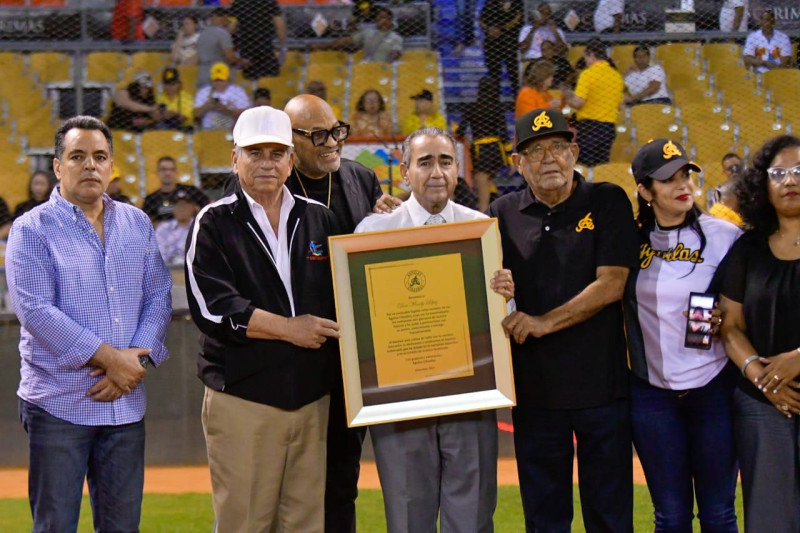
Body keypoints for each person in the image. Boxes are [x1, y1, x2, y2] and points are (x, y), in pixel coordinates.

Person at [5, 115, 172, 532]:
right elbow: (36, 310)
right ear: (59, 167)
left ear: (112, 165)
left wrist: (132, 366)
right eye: (77, 156)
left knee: (122, 528)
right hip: (57, 404)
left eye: (100, 156)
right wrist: (112, 360)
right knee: (56, 526)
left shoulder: (136, 223)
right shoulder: (31, 228)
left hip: (125, 404)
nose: (90, 166)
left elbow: (159, 295)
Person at [186, 106, 341, 532]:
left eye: (277, 152)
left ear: (292, 160)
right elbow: (212, 307)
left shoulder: (319, 218)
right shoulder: (214, 222)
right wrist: (291, 328)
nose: (267, 163)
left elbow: (347, 294)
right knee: (246, 522)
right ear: (235, 159)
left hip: (311, 400)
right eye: (255, 152)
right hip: (245, 398)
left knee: (305, 523)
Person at [355, 126, 515, 533]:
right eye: (424, 162)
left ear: (458, 170)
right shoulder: (372, 234)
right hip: (399, 402)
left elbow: (502, 318)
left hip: (469, 396)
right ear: (405, 174)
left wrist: (506, 295)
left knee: (473, 517)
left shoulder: (483, 228)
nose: (437, 171)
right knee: (409, 519)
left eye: (445, 161)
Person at [487, 108, 638, 532]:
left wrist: (541, 323)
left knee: (610, 518)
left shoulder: (606, 199)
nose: (547, 158)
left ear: (574, 152)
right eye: (534, 151)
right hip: (536, 394)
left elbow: (612, 284)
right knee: (544, 519)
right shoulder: (501, 212)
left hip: (602, 389)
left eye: (557, 146)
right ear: (518, 164)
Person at [282, 94, 399, 533]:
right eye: (317, 135)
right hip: (292, 358)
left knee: (342, 478)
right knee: (288, 482)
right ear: (288, 141)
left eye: (336, 131)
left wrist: (393, 220)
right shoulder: (270, 182)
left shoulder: (361, 178)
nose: (332, 143)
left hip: (352, 357)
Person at [624, 138, 742, 531]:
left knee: (719, 513)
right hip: (651, 392)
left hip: (714, 389)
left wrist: (731, 317)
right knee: (671, 516)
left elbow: (754, 300)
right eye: (668, 179)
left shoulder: (726, 236)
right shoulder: (629, 241)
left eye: (685, 175)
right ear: (644, 190)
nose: (683, 185)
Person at [720, 134, 800, 533]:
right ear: (763, 186)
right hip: (761, 402)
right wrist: (761, 376)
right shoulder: (747, 248)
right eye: (779, 173)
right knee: (769, 518)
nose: (790, 180)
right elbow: (729, 324)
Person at [563, 38, 624, 166]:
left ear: (590, 54)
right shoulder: (616, 76)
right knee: (601, 166)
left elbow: (578, 102)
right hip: (608, 128)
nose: (585, 60)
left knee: (585, 166)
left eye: (586, 56)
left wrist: (567, 96)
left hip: (589, 128)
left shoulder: (587, 74)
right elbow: (620, 105)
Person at [456, 76, 508, 211]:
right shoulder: (498, 107)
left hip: (480, 149)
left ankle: (484, 214)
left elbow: (460, 131)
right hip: (496, 149)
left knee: (482, 184)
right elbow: (504, 133)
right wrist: (508, 156)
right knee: (489, 180)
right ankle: (495, 206)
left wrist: (458, 130)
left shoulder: (471, 107)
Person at [315, 7, 403, 63]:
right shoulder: (367, 32)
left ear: (391, 21)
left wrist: (385, 66)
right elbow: (345, 41)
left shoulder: (396, 37)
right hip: (366, 66)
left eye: (386, 18)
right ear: (375, 21)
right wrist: (321, 46)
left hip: (384, 68)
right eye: (380, 18)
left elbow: (395, 53)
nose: (383, 21)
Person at [230, 0, 287, 80]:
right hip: (265, 46)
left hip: (247, 47)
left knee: (250, 80)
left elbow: (232, 27)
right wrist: (283, 44)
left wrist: (231, 44)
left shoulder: (239, 2)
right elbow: (279, 24)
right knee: (270, 79)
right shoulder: (268, 2)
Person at [143, 156, 208, 223]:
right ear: (157, 172)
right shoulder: (151, 199)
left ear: (176, 172)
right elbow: (147, 223)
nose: (168, 173)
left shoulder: (190, 191)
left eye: (172, 169)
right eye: (164, 169)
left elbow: (209, 206)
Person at [479, 0, 523, 94]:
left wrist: (501, 29)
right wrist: (489, 29)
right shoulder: (490, 3)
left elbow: (518, 19)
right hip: (492, 43)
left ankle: (517, 102)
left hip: (509, 43)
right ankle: (495, 103)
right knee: (493, 75)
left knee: (513, 74)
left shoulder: (517, 3)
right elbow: (481, 20)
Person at [194, 63, 250, 131]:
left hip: (231, 127)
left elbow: (245, 116)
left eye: (221, 80)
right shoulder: (204, 91)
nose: (218, 83)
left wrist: (226, 110)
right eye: (216, 80)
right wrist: (206, 107)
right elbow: (196, 115)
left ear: (228, 79)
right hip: (209, 128)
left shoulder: (238, 91)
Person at [195, 8, 240, 88]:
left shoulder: (203, 34)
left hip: (202, 74)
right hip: (218, 75)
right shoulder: (223, 33)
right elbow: (230, 58)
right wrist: (241, 61)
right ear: (224, 18)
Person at [155, 189, 198, 266]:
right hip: (169, 270)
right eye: (178, 205)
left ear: (193, 207)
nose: (181, 209)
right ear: (173, 209)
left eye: (185, 205)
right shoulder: (163, 228)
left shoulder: (199, 227)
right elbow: (158, 255)